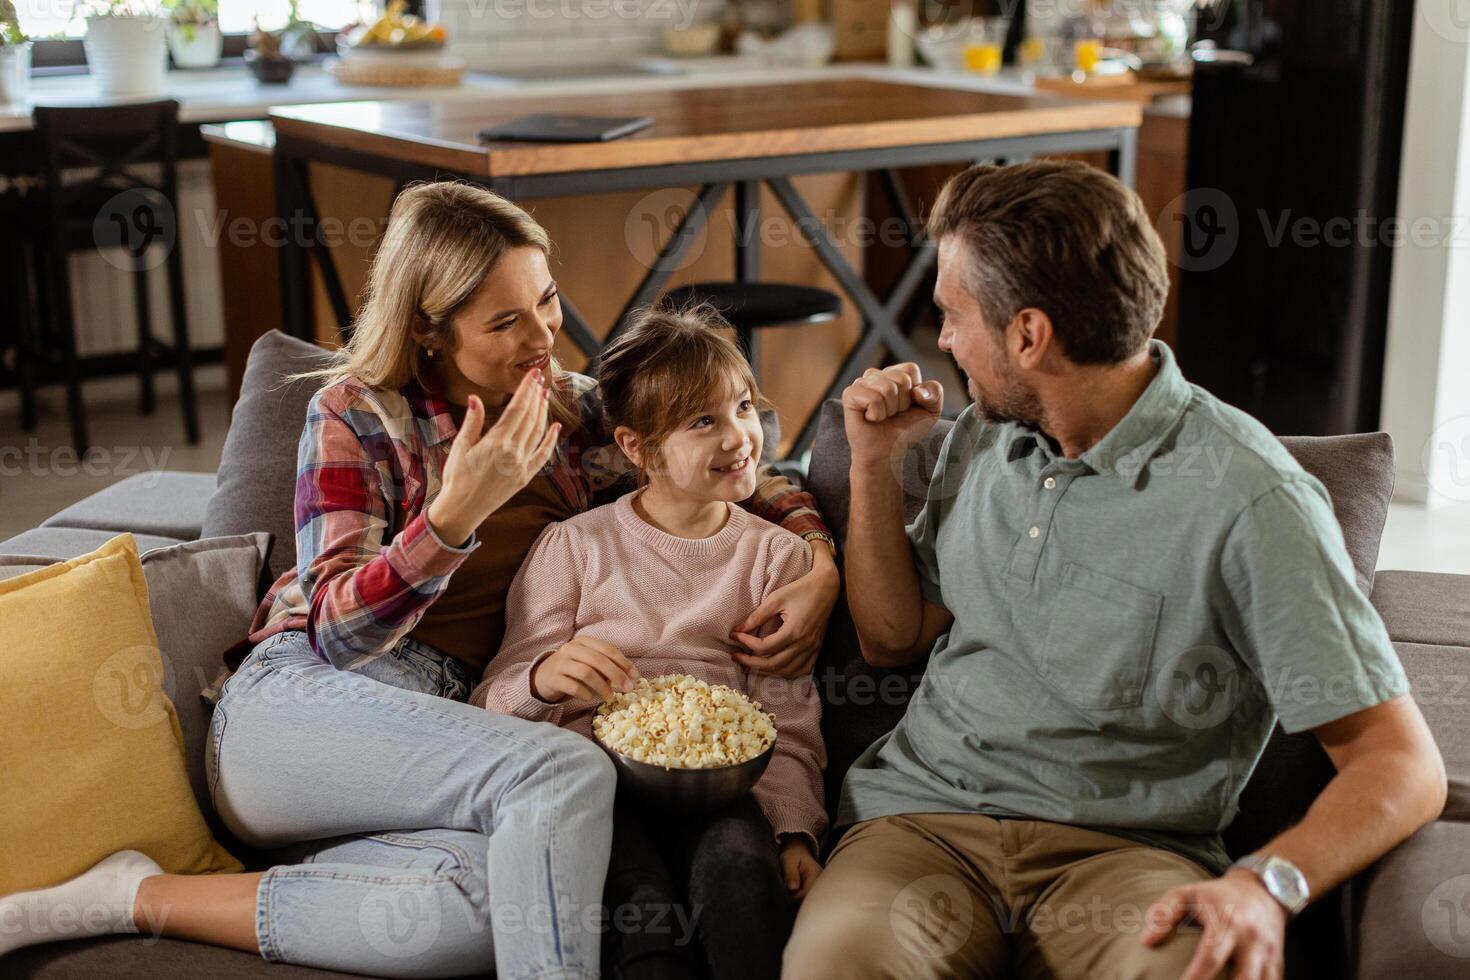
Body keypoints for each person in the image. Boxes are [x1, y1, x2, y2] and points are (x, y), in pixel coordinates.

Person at [0, 181, 840, 979]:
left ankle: (138, 895)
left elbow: (735, 468)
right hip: (299, 708)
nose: (544, 338)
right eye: (506, 321)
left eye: (546, 299)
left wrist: (820, 564)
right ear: (432, 329)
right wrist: (451, 518)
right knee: (567, 772)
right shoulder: (357, 413)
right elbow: (335, 631)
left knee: (503, 895)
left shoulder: (577, 412)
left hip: (453, 735)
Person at [781, 160, 1447, 980]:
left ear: (1028, 336)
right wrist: (876, 462)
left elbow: (1404, 766)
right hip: (923, 825)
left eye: (952, 316)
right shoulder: (986, 436)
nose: (942, 339)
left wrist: (1266, 884)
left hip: (1130, 855)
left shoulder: (1251, 497)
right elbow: (890, 638)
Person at [472, 308, 828, 980]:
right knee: (640, 918)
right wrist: (544, 677)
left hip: (721, 790)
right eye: (703, 422)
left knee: (742, 889)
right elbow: (493, 700)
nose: (740, 437)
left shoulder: (776, 561)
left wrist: (793, 827)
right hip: (596, 786)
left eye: (743, 407)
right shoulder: (574, 548)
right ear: (637, 447)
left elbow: (787, 716)